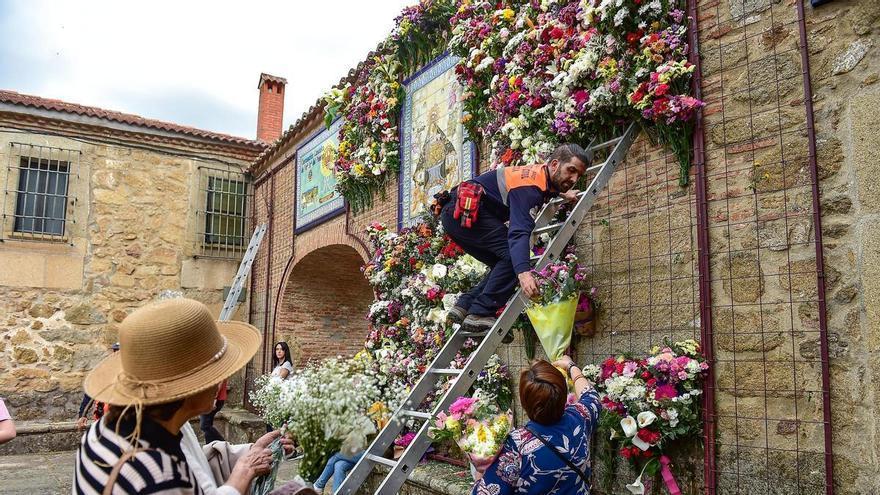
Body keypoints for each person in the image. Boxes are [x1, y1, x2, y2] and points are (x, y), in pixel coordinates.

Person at [74, 298, 293, 495]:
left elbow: (192, 461)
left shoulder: (112, 428)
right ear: (189, 388)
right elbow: (174, 478)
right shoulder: (156, 476)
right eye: (215, 372)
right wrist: (243, 474)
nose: (221, 380)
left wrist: (250, 451)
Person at [439, 144, 591, 331]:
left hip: (456, 213)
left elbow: (546, 187)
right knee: (514, 258)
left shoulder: (538, 175)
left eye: (578, 176)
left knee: (503, 263)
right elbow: (518, 232)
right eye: (571, 170)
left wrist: (562, 194)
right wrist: (524, 273)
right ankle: (480, 313)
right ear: (554, 164)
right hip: (465, 212)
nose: (574, 179)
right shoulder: (530, 189)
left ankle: (465, 305)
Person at [471, 356, 601, 494]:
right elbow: (591, 396)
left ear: (524, 401)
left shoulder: (514, 447)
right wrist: (571, 366)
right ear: (563, 394)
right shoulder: (580, 417)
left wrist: (481, 470)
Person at [76, 342, 119, 431]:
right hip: (103, 420)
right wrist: (82, 415)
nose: (117, 355)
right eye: (116, 351)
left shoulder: (133, 374)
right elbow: (90, 393)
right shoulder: (104, 371)